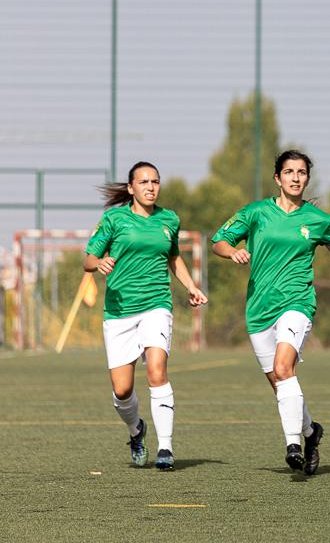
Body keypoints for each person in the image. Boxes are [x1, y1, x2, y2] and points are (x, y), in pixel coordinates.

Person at [211, 150, 330, 473]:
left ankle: (293, 443)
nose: (296, 178)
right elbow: (219, 241)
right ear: (277, 178)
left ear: (307, 178)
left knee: (284, 367)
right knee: (282, 382)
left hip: (297, 303)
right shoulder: (255, 213)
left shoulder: (318, 220)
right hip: (258, 310)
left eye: (302, 172)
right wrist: (233, 252)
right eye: (289, 172)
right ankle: (311, 431)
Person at [84, 161, 208, 471]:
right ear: (131, 188)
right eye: (143, 182)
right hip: (119, 312)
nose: (151, 186)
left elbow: (174, 258)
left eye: (155, 181)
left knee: (156, 370)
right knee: (122, 390)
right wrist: (97, 263)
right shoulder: (114, 219)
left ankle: (165, 447)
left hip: (156, 305)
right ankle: (136, 430)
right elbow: (88, 257)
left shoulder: (169, 219)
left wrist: (192, 286)